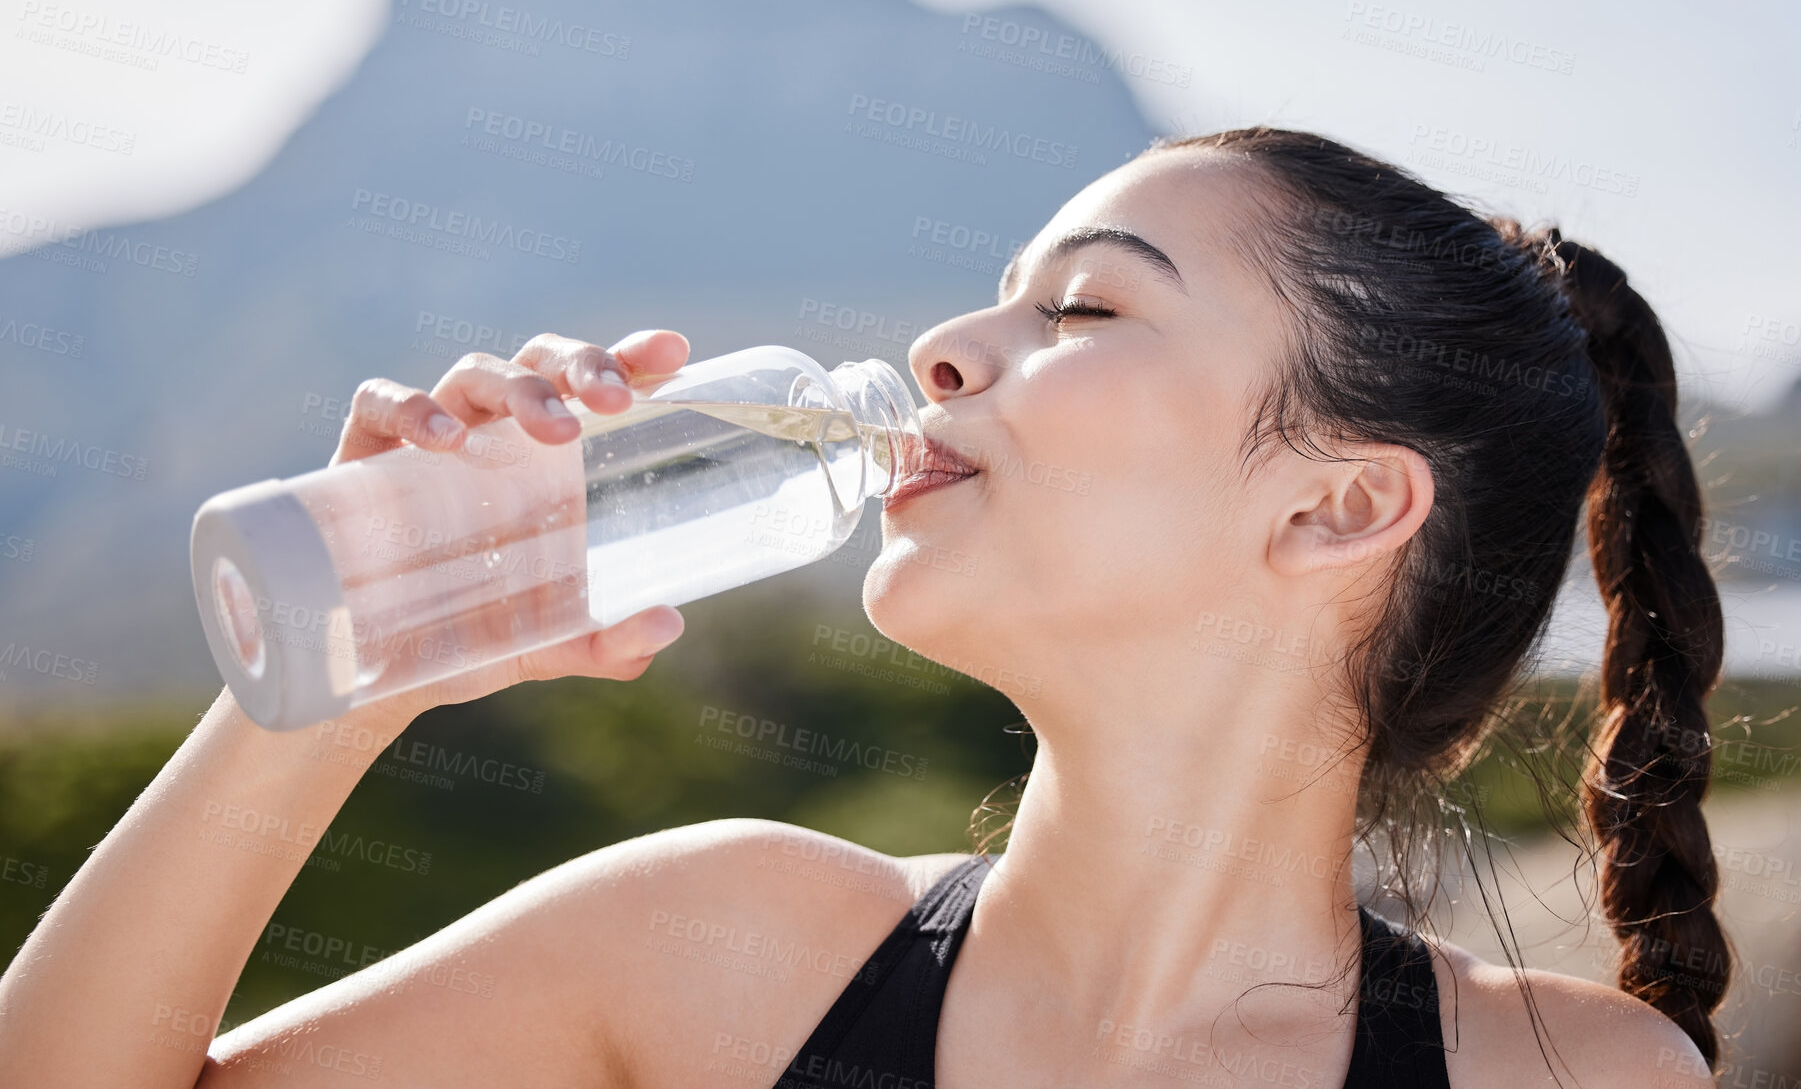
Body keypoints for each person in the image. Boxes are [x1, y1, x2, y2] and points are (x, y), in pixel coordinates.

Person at [0, 127, 1728, 1088]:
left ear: (1336, 502)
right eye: (994, 301)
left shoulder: (1576, 1083)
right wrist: (352, 663)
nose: (943, 352)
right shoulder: (714, 944)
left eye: (1087, 310)